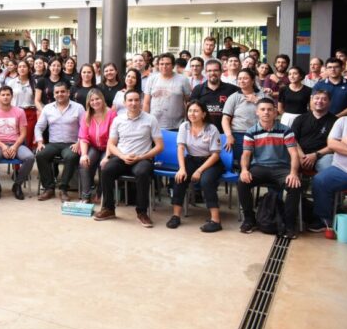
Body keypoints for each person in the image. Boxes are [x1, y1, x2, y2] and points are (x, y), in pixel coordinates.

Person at [95, 90, 163, 227]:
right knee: (106, 169)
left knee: (142, 173)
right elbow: (111, 144)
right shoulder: (118, 120)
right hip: (122, 157)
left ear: (141, 101)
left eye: (136, 100)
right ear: (125, 103)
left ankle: (142, 212)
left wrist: (141, 157)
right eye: (130, 100)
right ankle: (108, 208)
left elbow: (159, 146)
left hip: (142, 158)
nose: (133, 103)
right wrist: (122, 156)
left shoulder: (151, 119)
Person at [237, 98, 302, 239]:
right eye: (262, 109)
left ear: (275, 112)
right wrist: (244, 170)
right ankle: (249, 219)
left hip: (281, 169)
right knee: (242, 182)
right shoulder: (251, 132)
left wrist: (293, 173)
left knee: (295, 185)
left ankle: (289, 225)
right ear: (257, 112)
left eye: (269, 109)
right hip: (259, 168)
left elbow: (294, 153)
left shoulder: (286, 131)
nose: (266, 112)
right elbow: (246, 155)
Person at [167, 101, 223, 232]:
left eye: (196, 111)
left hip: (210, 161)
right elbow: (180, 148)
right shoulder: (184, 126)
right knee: (180, 178)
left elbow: (215, 154)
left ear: (203, 114)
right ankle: (176, 216)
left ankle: (216, 220)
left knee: (206, 181)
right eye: (190, 110)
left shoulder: (211, 129)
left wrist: (199, 170)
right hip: (191, 159)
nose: (192, 113)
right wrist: (181, 168)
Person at [308, 97, 347, 232]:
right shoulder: (342, 121)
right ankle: (324, 219)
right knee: (320, 180)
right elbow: (332, 144)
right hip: (340, 170)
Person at [34, 81, 85, 202]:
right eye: (57, 92)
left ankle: (63, 189)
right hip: (53, 143)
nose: (60, 94)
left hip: (71, 143)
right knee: (40, 155)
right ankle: (49, 188)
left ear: (68, 93)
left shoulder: (78, 108)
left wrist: (79, 142)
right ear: (54, 94)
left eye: (63, 91)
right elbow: (38, 127)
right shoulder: (47, 108)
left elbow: (84, 127)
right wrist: (40, 142)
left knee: (71, 157)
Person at [0, 85, 34, 200]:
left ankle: (17, 185)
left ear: (12, 96)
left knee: (30, 157)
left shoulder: (20, 112)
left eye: (8, 95)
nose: (5, 97)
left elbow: (23, 133)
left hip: (16, 143)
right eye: (3, 95)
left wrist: (15, 147)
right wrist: (3, 146)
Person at [222, 68, 269, 165]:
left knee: (260, 163)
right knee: (243, 164)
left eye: (245, 78)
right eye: (239, 79)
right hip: (239, 134)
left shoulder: (263, 96)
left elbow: (273, 113)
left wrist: (257, 101)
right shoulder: (234, 97)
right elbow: (225, 119)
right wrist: (229, 135)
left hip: (261, 134)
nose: (241, 81)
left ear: (252, 80)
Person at [78, 88, 116, 203]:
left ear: (102, 99)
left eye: (97, 99)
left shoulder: (111, 114)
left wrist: (107, 156)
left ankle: (101, 192)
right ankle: (86, 196)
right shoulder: (86, 115)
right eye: (92, 100)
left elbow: (112, 138)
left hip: (108, 147)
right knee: (84, 163)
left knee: (105, 165)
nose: (95, 102)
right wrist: (84, 155)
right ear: (88, 102)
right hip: (94, 146)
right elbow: (83, 137)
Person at [291, 90, 337, 173]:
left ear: (329, 102)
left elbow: (335, 145)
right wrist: (302, 157)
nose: (319, 101)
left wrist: (315, 155)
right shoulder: (300, 118)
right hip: (299, 154)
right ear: (311, 100)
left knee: (328, 167)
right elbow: (292, 139)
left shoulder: (336, 121)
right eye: (317, 98)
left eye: (324, 99)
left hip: (322, 156)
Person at [144, 54, 191, 131]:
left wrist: (188, 121)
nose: (164, 66)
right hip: (154, 125)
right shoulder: (151, 79)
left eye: (167, 64)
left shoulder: (183, 80)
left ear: (173, 66)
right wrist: (145, 122)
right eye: (161, 64)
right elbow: (146, 103)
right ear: (158, 65)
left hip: (177, 126)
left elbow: (188, 101)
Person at [190, 59, 238, 130]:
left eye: (216, 70)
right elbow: (192, 111)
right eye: (209, 71)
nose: (212, 73)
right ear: (205, 72)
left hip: (226, 132)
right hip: (203, 132)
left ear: (221, 72)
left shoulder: (231, 89)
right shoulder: (198, 89)